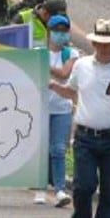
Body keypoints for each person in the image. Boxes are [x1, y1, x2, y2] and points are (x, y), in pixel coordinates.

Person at [49, 19, 110, 218]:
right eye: (101, 44)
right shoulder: (82, 65)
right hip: (86, 138)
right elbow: (72, 92)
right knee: (83, 187)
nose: (105, 48)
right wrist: (55, 87)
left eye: (109, 44)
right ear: (94, 44)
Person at [31, 14, 78, 207]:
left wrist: (43, 63)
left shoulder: (71, 54)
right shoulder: (37, 51)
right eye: (57, 30)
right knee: (41, 149)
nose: (60, 34)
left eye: (64, 31)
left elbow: (65, 74)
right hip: (40, 108)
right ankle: (41, 189)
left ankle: (59, 189)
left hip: (62, 108)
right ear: (49, 32)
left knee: (58, 149)